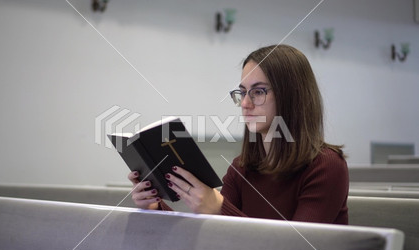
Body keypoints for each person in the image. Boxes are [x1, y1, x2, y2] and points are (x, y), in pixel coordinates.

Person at [127, 44, 349, 224]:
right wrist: (155, 207)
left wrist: (219, 208)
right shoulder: (241, 168)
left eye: (258, 92)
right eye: (242, 93)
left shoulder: (326, 166)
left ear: (291, 96)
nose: (245, 103)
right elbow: (214, 238)